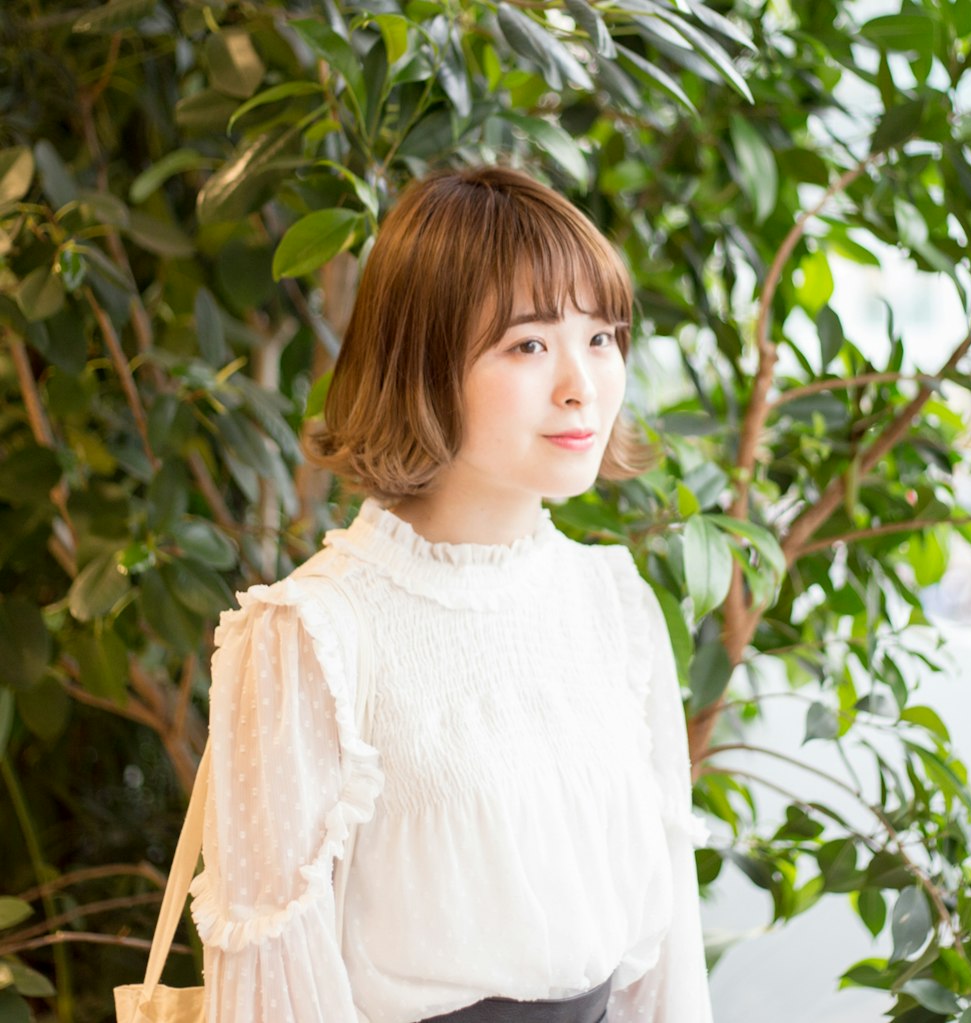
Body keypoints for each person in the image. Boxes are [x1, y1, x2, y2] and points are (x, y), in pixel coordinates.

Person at [185, 164, 715, 1023]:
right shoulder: (312, 636)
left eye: (602, 336)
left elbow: (668, 971)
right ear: (425, 364)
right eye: (529, 344)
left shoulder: (613, 603)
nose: (582, 384)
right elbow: (276, 993)